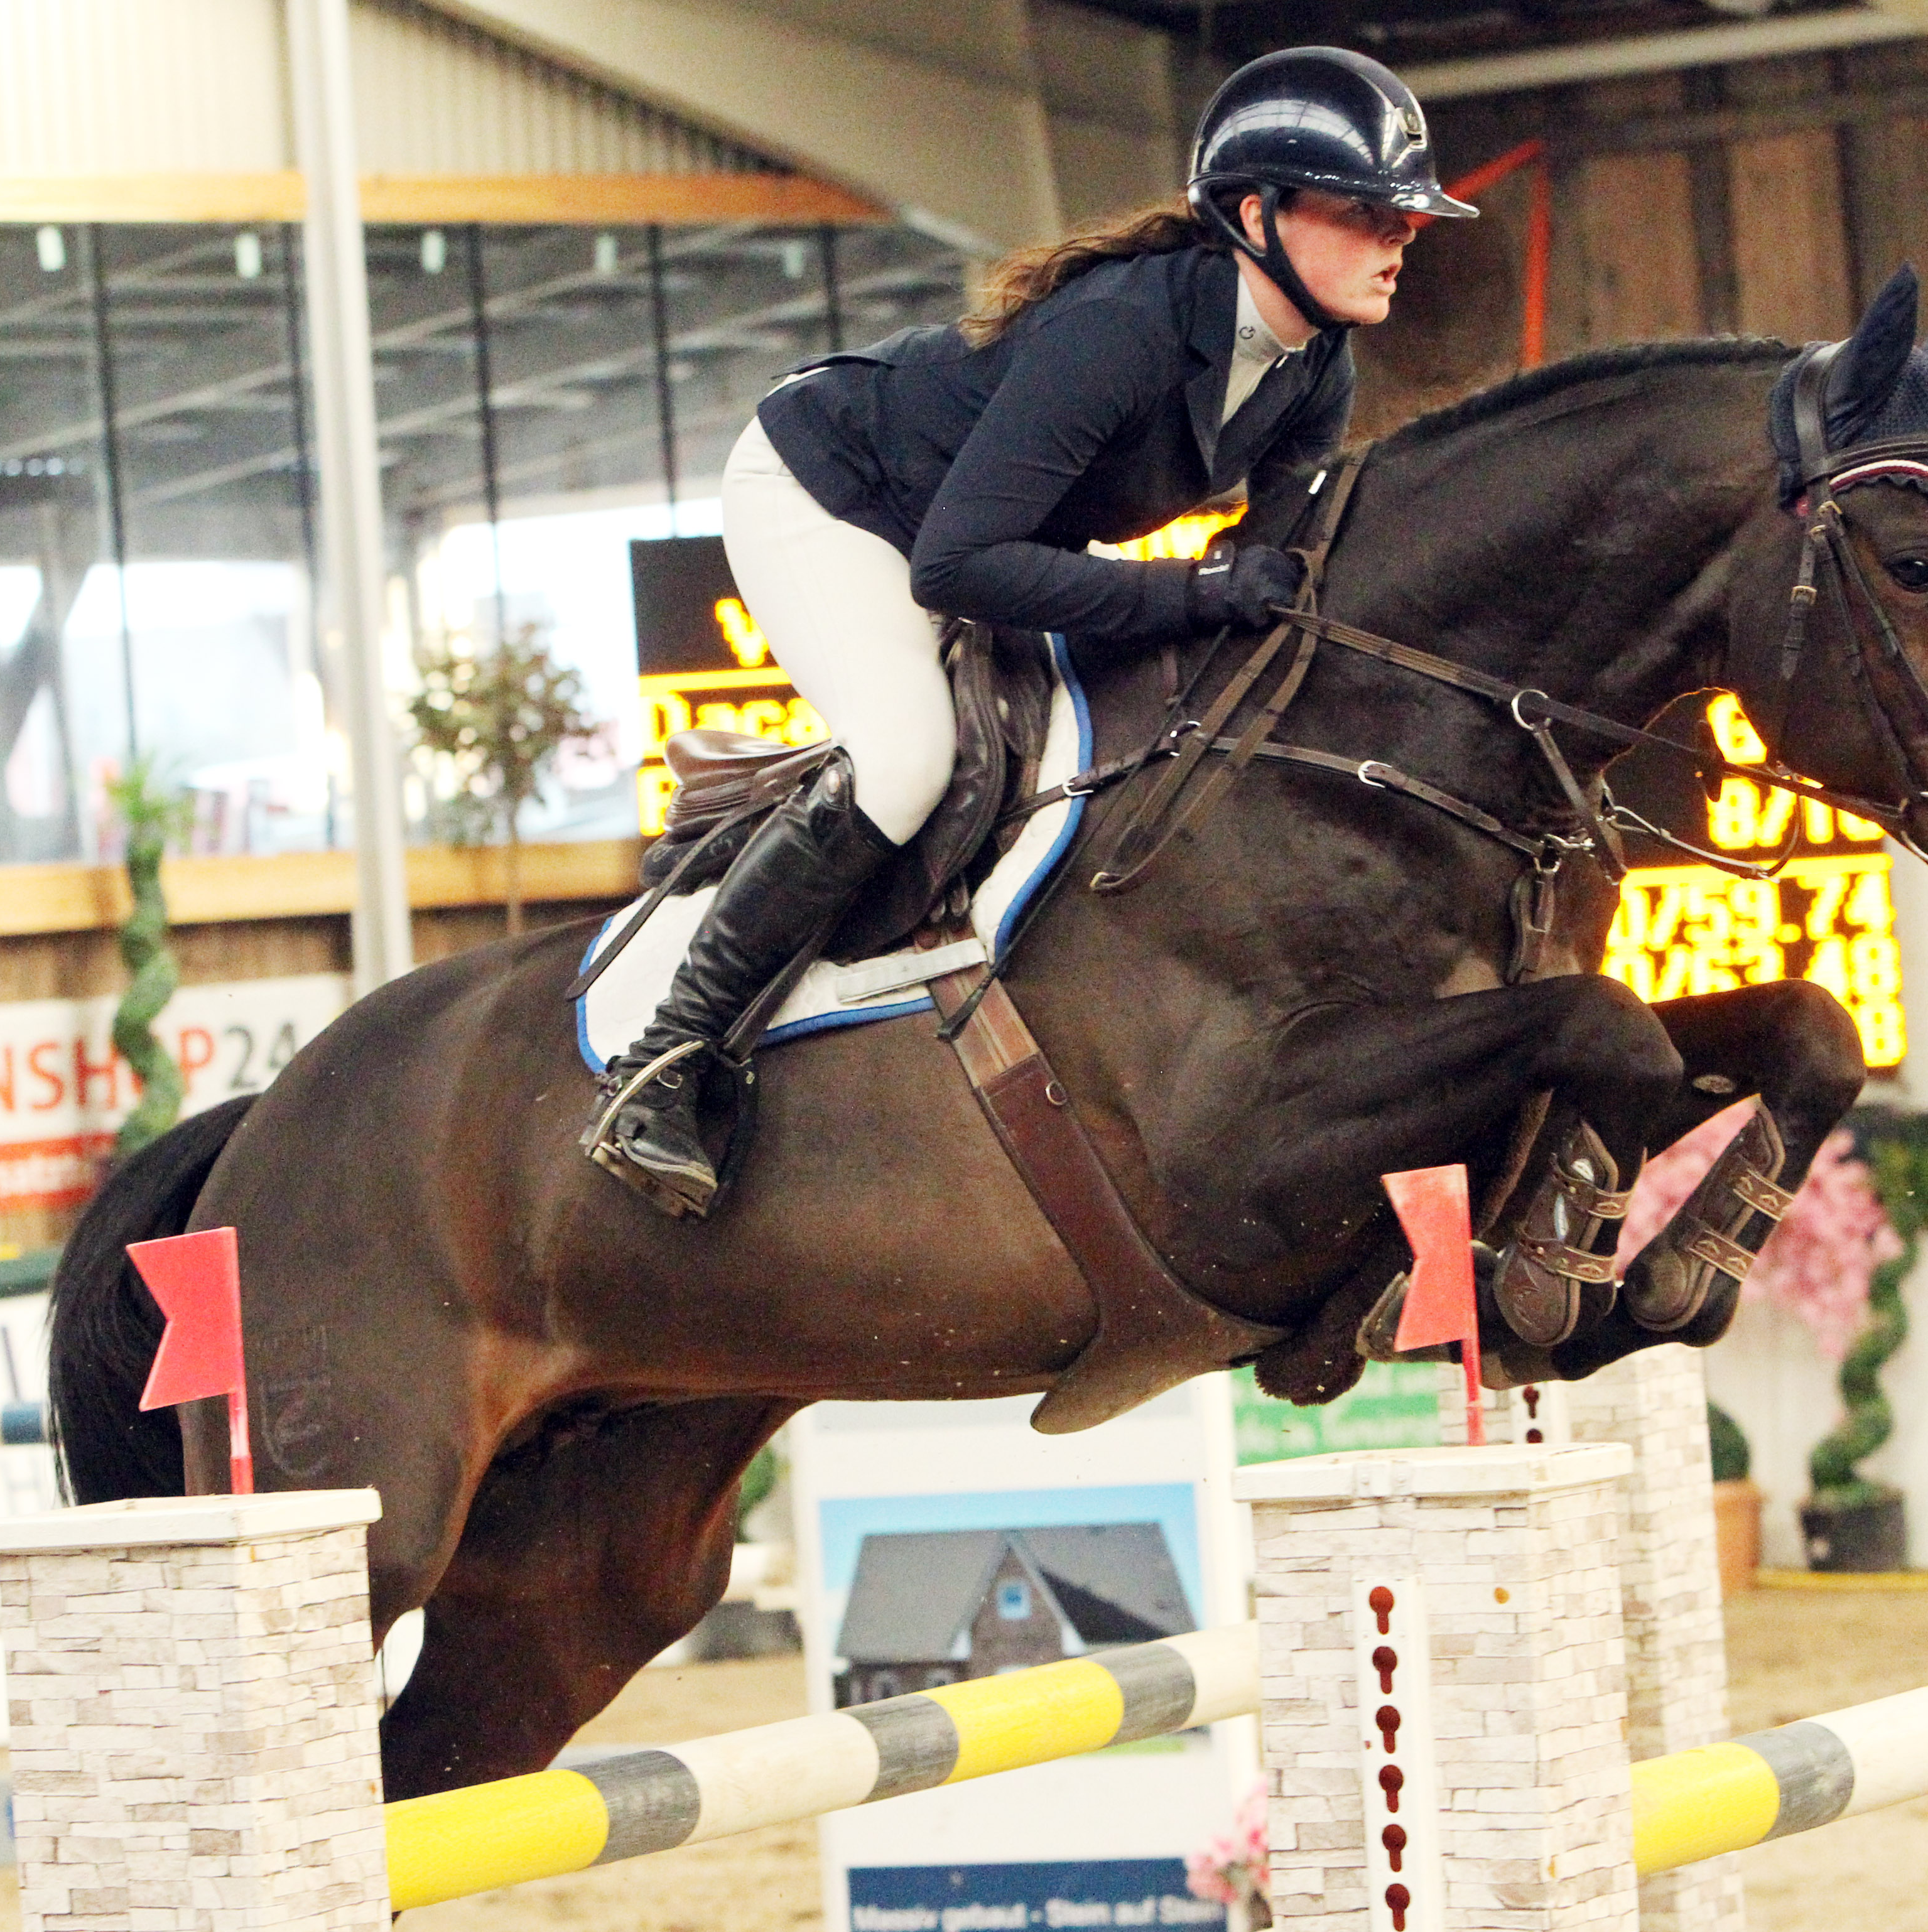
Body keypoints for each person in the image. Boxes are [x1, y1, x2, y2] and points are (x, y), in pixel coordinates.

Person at [584, 45, 1478, 1217]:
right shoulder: (1118, 330)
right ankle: (668, 1058)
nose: (1401, 238)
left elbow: (1273, 580)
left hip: (991, 534)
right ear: (1257, 213)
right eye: (1370, 213)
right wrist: (1197, 592)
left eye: (1406, 218)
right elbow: (968, 564)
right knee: (909, 756)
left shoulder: (1317, 366)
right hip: (839, 500)